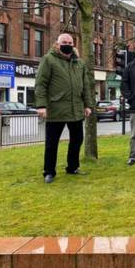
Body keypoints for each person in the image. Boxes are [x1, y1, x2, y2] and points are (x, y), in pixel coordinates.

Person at [35, 33, 93, 184]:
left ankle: (73, 167)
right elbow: (41, 84)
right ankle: (49, 171)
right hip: (56, 109)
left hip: (76, 110)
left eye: (70, 42)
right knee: (52, 143)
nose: (67, 44)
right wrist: (41, 105)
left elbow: (85, 86)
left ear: (74, 44)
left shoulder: (79, 63)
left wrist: (87, 105)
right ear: (57, 44)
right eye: (64, 42)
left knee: (77, 139)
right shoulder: (49, 60)